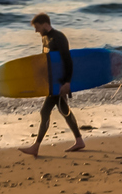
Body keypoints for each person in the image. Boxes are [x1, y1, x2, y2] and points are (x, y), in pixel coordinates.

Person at [24, 13, 85, 157]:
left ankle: (36, 146)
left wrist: (67, 83)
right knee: (64, 109)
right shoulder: (45, 39)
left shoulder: (58, 37)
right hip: (52, 83)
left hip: (60, 83)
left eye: (37, 27)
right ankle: (79, 140)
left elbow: (67, 60)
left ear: (45, 24)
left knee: (45, 112)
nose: (36, 31)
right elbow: (47, 61)